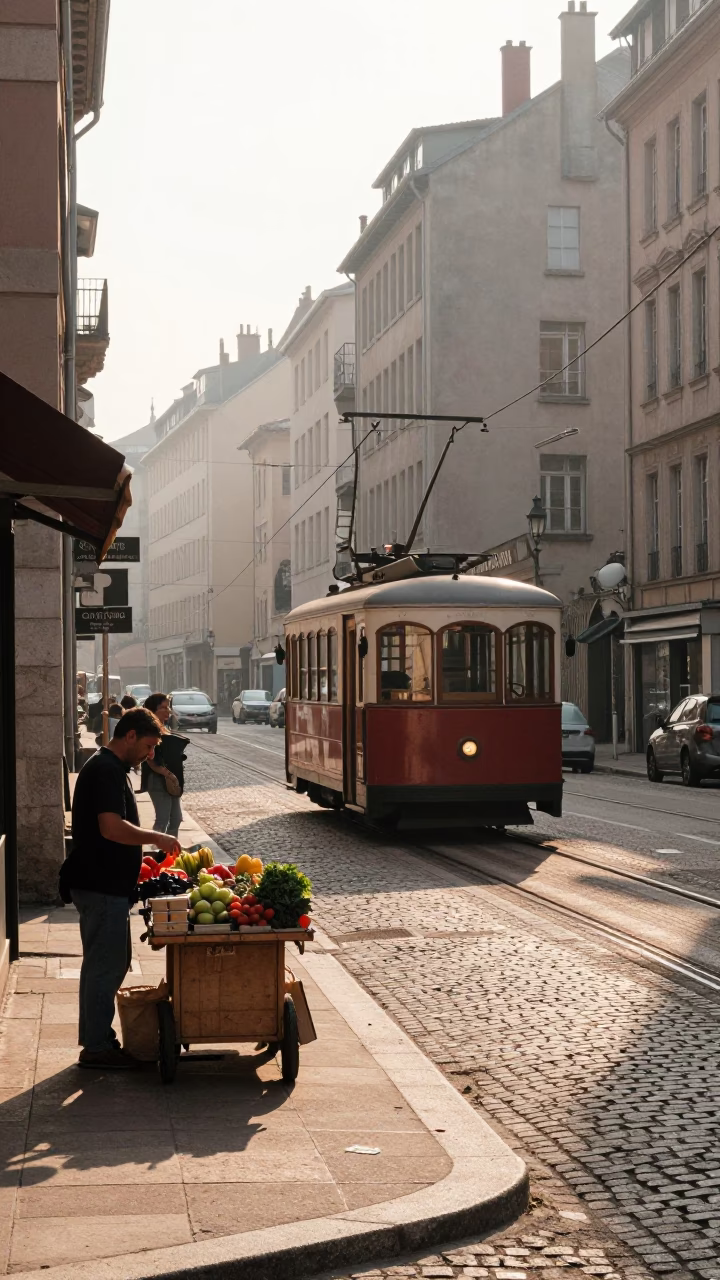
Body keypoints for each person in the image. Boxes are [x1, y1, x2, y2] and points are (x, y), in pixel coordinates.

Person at [62, 707, 181, 1069]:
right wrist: (156, 837)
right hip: (99, 884)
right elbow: (111, 827)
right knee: (105, 965)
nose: (150, 755)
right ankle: (97, 1046)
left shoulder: (112, 769)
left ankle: (98, 1040)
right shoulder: (105, 771)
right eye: (147, 746)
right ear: (129, 736)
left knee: (111, 963)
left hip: (106, 883)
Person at [140, 692, 188, 839]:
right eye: (164, 708)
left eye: (169, 708)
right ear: (153, 710)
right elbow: (150, 759)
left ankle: (169, 851)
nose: (168, 711)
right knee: (163, 820)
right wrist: (168, 774)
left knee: (176, 818)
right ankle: (156, 851)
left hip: (170, 780)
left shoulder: (163, 728)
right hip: (158, 780)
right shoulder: (149, 730)